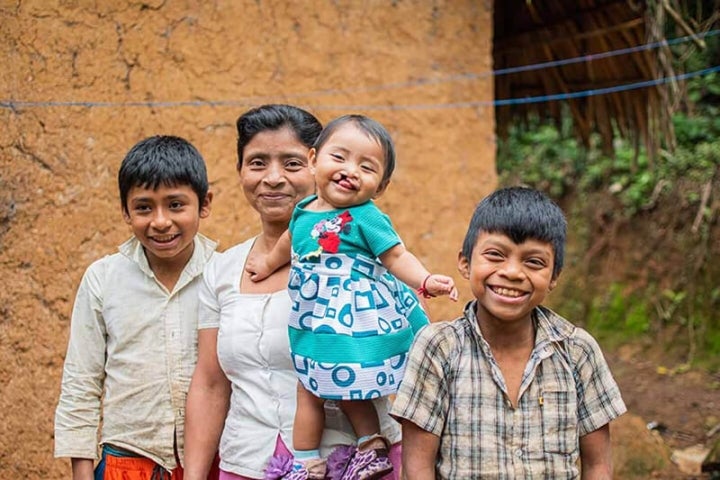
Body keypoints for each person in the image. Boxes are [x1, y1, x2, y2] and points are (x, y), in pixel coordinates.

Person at [183, 106, 403, 480]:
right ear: (240, 172)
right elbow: (209, 383)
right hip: (246, 462)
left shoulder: (360, 259)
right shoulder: (221, 271)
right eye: (256, 163)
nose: (273, 178)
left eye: (291, 163)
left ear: (316, 165)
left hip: (348, 462)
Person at [245, 114, 458, 480]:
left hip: (353, 320)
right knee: (310, 385)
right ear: (314, 160)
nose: (350, 170)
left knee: (351, 385)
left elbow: (395, 256)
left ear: (381, 186)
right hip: (314, 322)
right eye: (339, 157)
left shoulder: (366, 217)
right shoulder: (303, 212)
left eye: (366, 166)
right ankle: (311, 461)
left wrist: (425, 281)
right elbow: (287, 245)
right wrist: (266, 266)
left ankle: (367, 444)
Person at [391, 186, 628, 479]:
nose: (513, 272)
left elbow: (598, 465)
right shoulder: (438, 348)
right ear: (465, 262)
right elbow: (417, 468)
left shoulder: (578, 351)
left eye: (534, 262)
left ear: (554, 277)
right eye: (495, 255)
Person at [54, 135, 218, 480]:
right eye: (144, 207)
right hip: (126, 459)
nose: (160, 221)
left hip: (212, 459)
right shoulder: (103, 278)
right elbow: (81, 382)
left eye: (176, 205)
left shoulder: (224, 274)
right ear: (125, 211)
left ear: (204, 203)